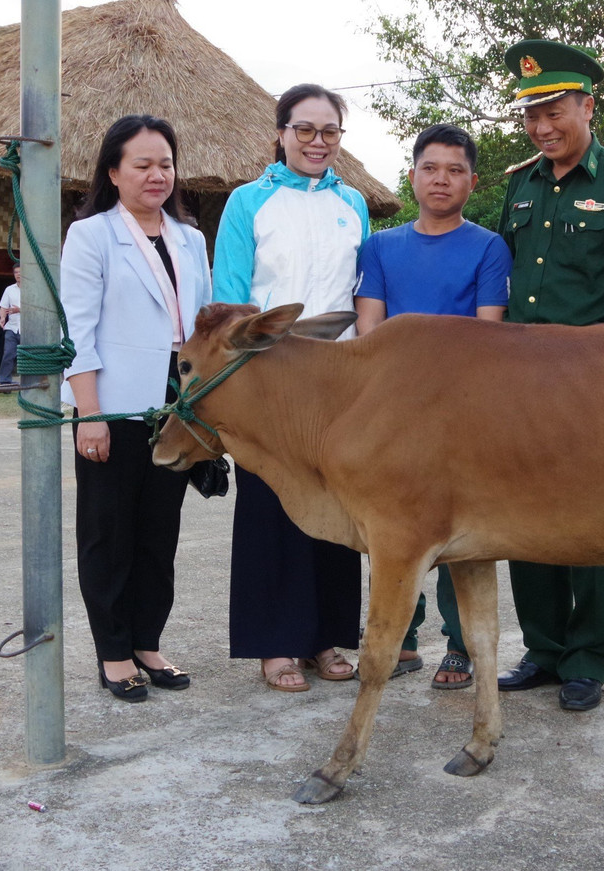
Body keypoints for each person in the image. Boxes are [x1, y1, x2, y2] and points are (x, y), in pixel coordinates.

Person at [493, 40, 604, 713]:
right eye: (531, 115)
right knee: (521, 515)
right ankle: (544, 647)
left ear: (588, 106)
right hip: (521, 384)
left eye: (554, 111)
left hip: (593, 383)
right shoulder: (520, 183)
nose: (541, 127)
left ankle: (590, 656)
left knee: (589, 519)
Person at [213, 84, 367, 693]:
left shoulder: (353, 202)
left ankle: (325, 637)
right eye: (305, 129)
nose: (317, 142)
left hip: (335, 377)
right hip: (267, 376)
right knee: (271, 504)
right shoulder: (248, 203)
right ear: (280, 132)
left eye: (329, 132)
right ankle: (276, 643)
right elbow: (226, 297)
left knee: (335, 501)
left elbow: (359, 295)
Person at [60, 114, 211, 702]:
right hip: (115, 405)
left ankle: (148, 641)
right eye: (143, 165)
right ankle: (114, 652)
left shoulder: (190, 238)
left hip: (176, 406)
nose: (157, 175)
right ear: (113, 172)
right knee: (108, 533)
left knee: (158, 532)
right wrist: (89, 414)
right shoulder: (92, 235)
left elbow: (199, 325)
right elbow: (79, 329)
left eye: (165, 164)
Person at [354, 123, 510, 689]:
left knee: (459, 531)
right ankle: (400, 640)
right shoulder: (379, 246)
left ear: (472, 181)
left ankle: (460, 645)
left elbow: (486, 337)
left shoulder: (490, 247)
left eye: (454, 170)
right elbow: (368, 333)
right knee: (390, 530)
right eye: (430, 168)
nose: (441, 179)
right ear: (413, 173)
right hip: (391, 416)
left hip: (461, 414)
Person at [0, 266, 21, 383]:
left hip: (28, 328)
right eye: (16, 272)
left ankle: (33, 381)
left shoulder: (33, 288)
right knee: (8, 354)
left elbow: (37, 308)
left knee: (30, 355)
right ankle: (5, 382)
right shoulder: (9, 289)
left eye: (20, 272)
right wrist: (2, 317)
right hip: (12, 327)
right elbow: (3, 307)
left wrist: (19, 310)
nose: (18, 274)